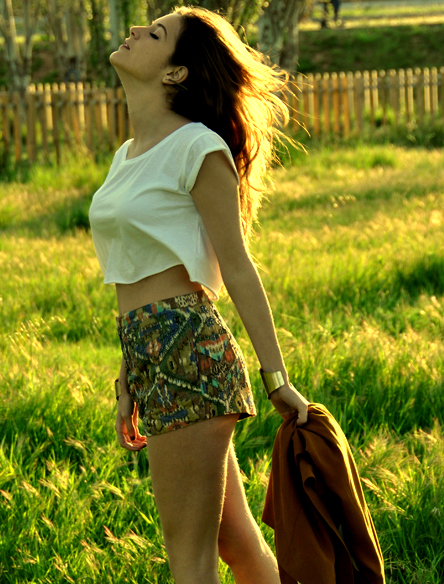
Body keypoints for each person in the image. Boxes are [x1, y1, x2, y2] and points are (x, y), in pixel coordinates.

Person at [89, 7, 309, 583]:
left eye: (155, 33)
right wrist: (130, 375)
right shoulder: (126, 156)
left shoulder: (198, 147)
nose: (135, 31)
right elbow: (137, 275)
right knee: (239, 546)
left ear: (176, 73)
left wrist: (277, 378)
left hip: (189, 355)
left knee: (190, 564)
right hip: (153, 353)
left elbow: (236, 267)